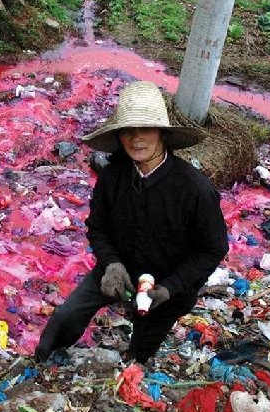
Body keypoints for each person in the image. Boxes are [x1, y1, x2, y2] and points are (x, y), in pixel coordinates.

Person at [34, 80, 229, 365]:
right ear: (119, 135)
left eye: (146, 129)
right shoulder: (113, 176)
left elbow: (212, 249)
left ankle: (135, 361)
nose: (136, 138)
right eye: (128, 130)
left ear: (162, 134)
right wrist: (111, 263)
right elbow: (97, 226)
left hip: (165, 287)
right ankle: (41, 361)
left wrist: (170, 287)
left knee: (142, 347)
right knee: (66, 316)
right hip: (117, 271)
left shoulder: (195, 189)